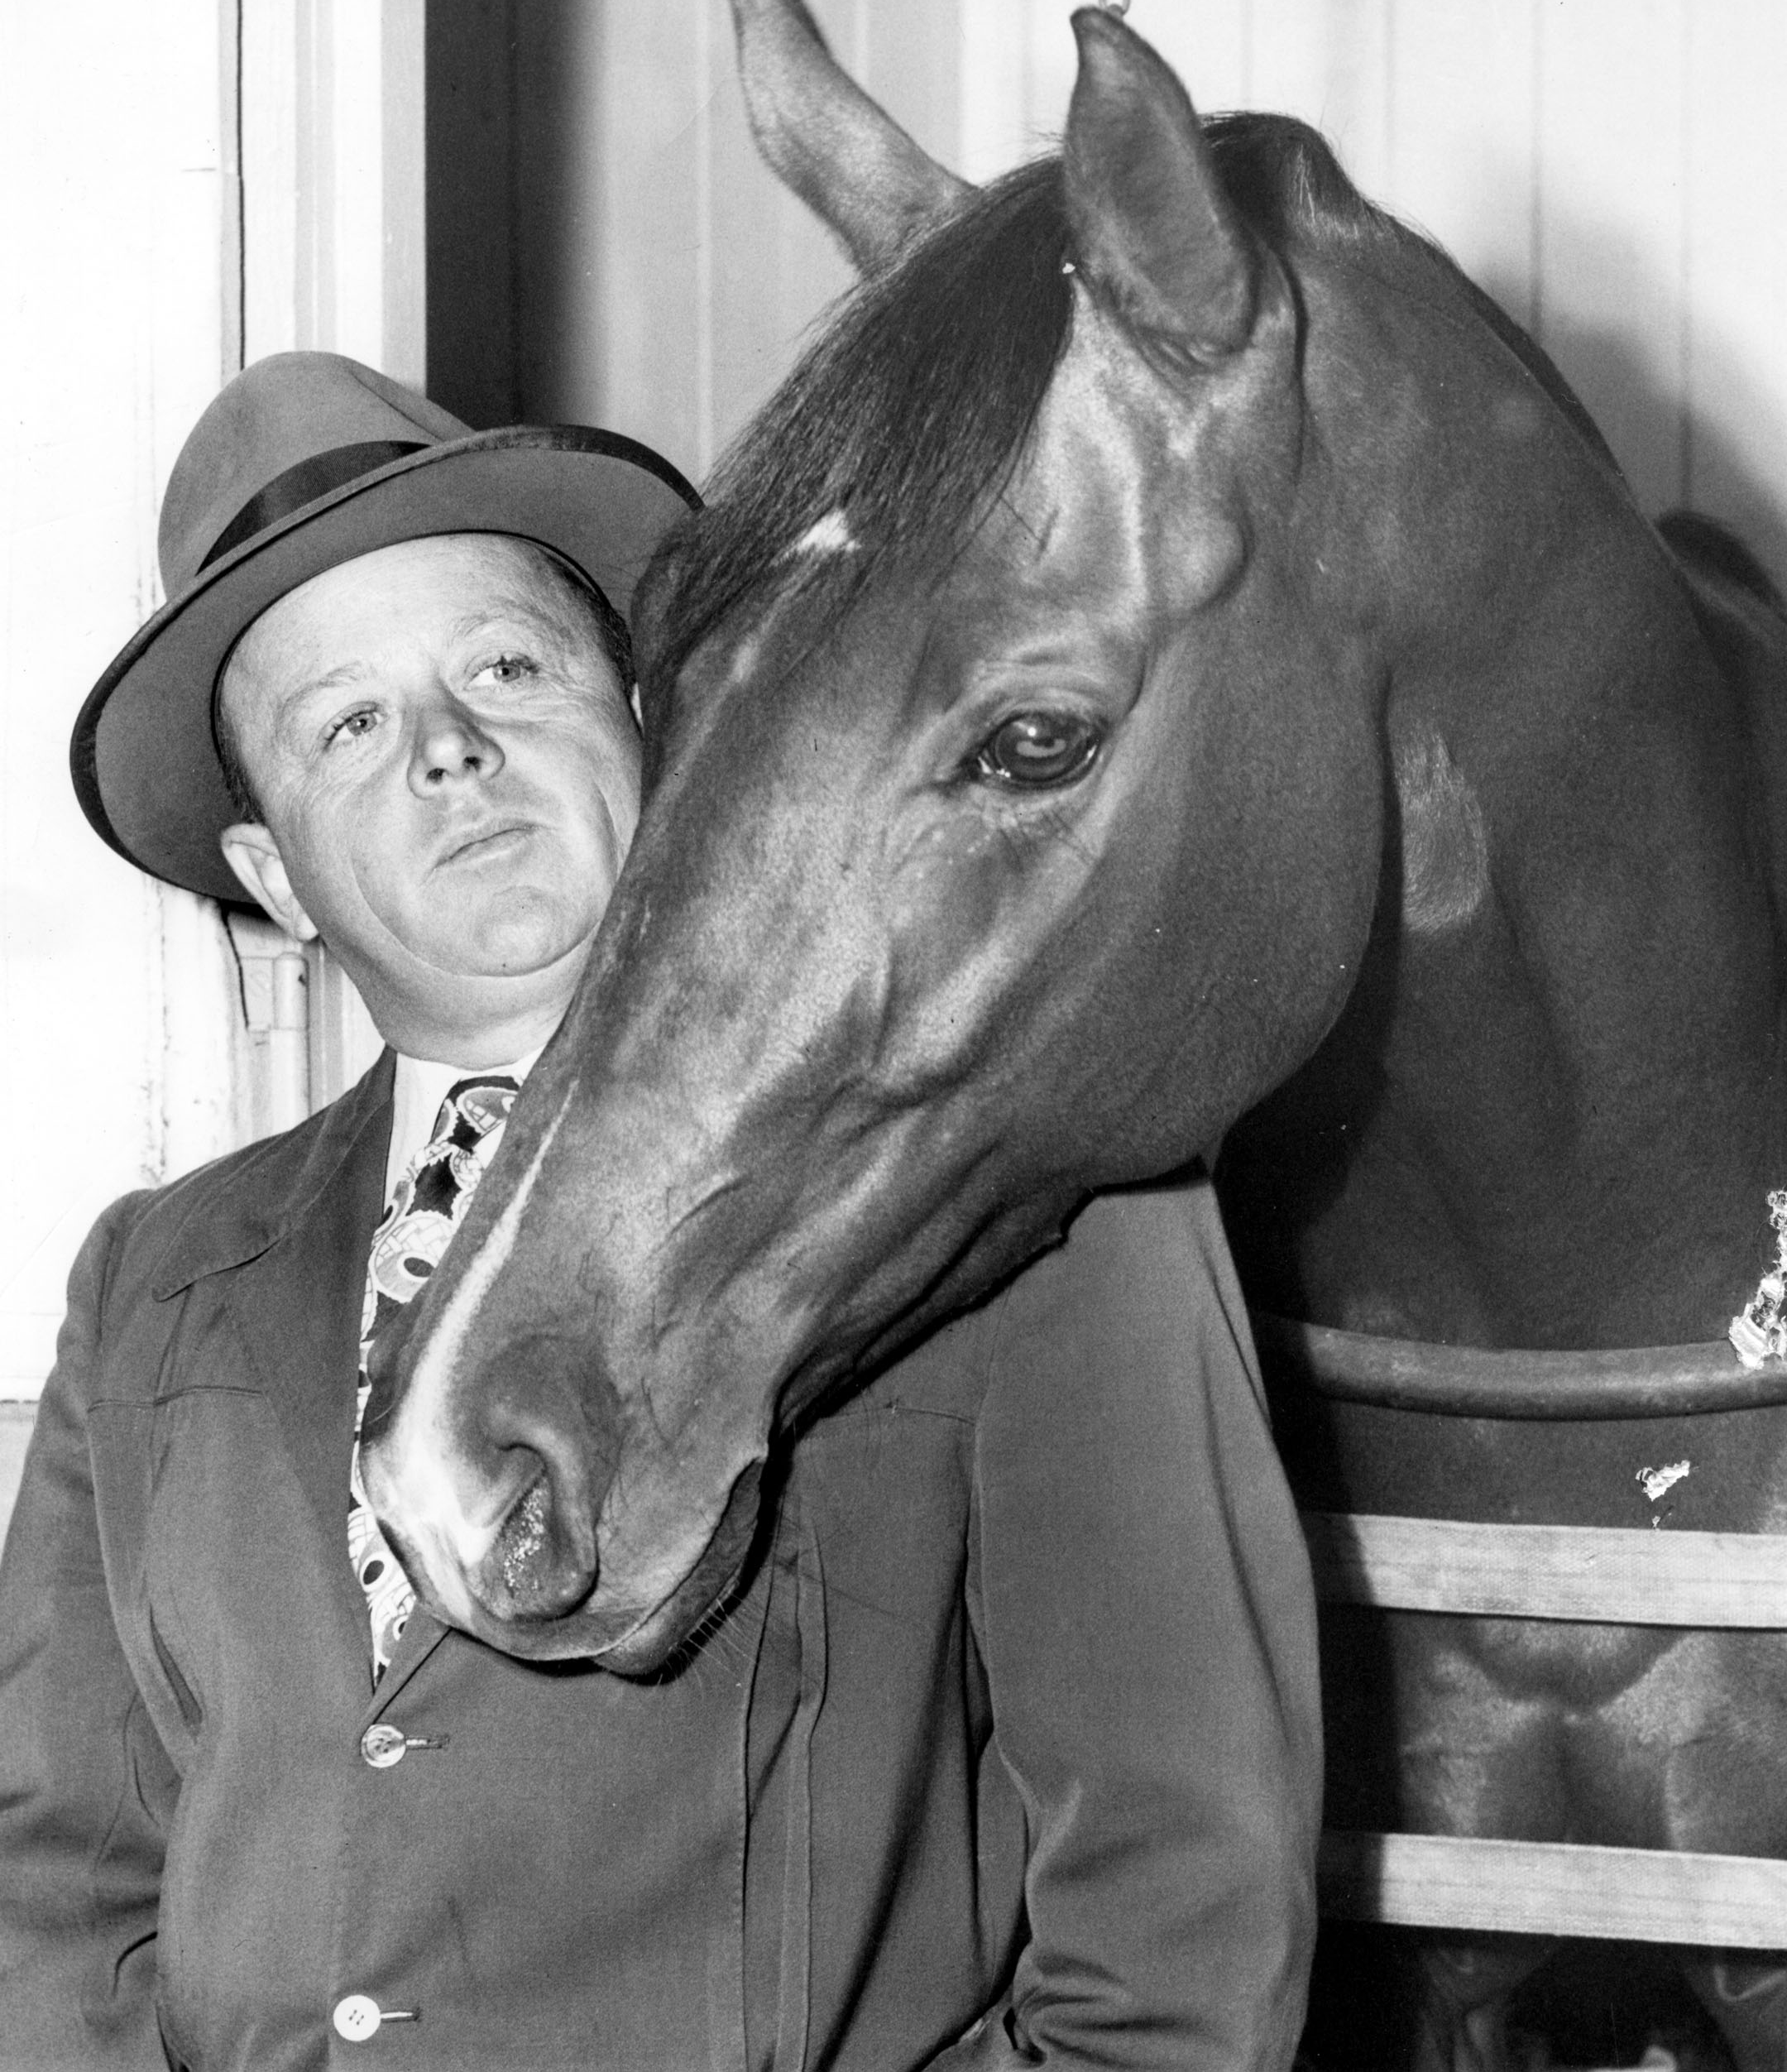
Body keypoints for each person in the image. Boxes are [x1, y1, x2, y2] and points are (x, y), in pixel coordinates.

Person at [0, 352, 1321, 2071]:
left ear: (646, 720)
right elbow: (52, 1898)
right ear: (274, 881)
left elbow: (1184, 1930)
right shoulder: (157, 1284)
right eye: (349, 724)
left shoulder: (1020, 1186)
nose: (452, 753)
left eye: (504, 665)